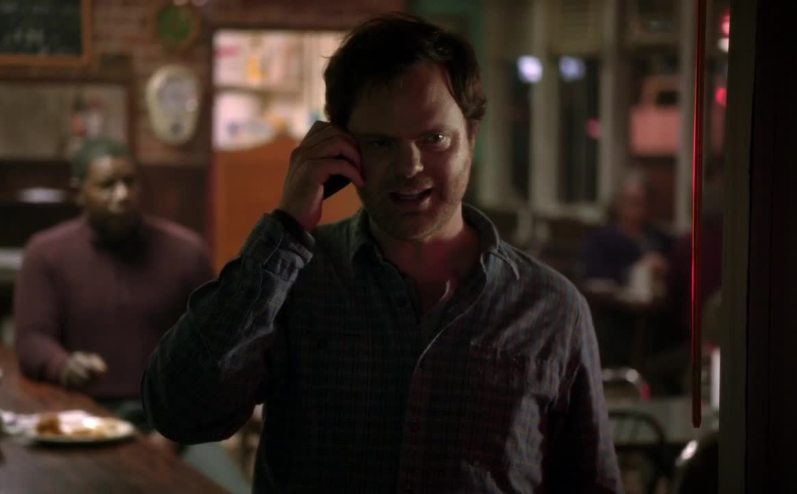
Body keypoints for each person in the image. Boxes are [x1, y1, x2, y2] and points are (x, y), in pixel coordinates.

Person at [143, 14, 622, 493]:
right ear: (341, 148)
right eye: (380, 143)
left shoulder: (550, 307)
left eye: (434, 139)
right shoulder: (295, 281)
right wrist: (285, 228)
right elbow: (179, 411)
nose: (410, 166)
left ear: (471, 137)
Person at [13, 138, 250, 493]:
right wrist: (64, 365)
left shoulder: (185, 252)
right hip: (84, 413)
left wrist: (172, 433)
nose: (122, 194)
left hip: (172, 415)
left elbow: (215, 349)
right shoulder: (46, 254)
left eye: (130, 182)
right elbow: (32, 338)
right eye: (107, 185)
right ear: (79, 192)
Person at [581, 171, 673, 298]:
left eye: (641, 202)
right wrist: (638, 271)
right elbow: (594, 276)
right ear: (619, 204)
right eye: (630, 201)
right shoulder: (600, 241)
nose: (635, 208)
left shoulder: (661, 240)